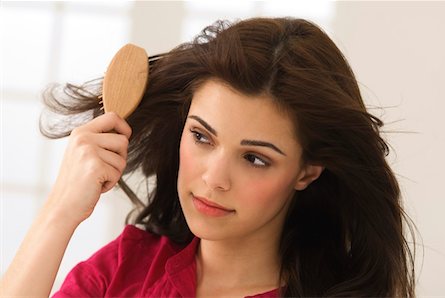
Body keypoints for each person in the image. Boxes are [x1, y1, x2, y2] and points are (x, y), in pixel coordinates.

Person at [1, 17, 416, 297]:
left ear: (306, 171)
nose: (215, 178)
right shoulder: (127, 268)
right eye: (201, 136)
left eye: (254, 158)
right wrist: (60, 211)